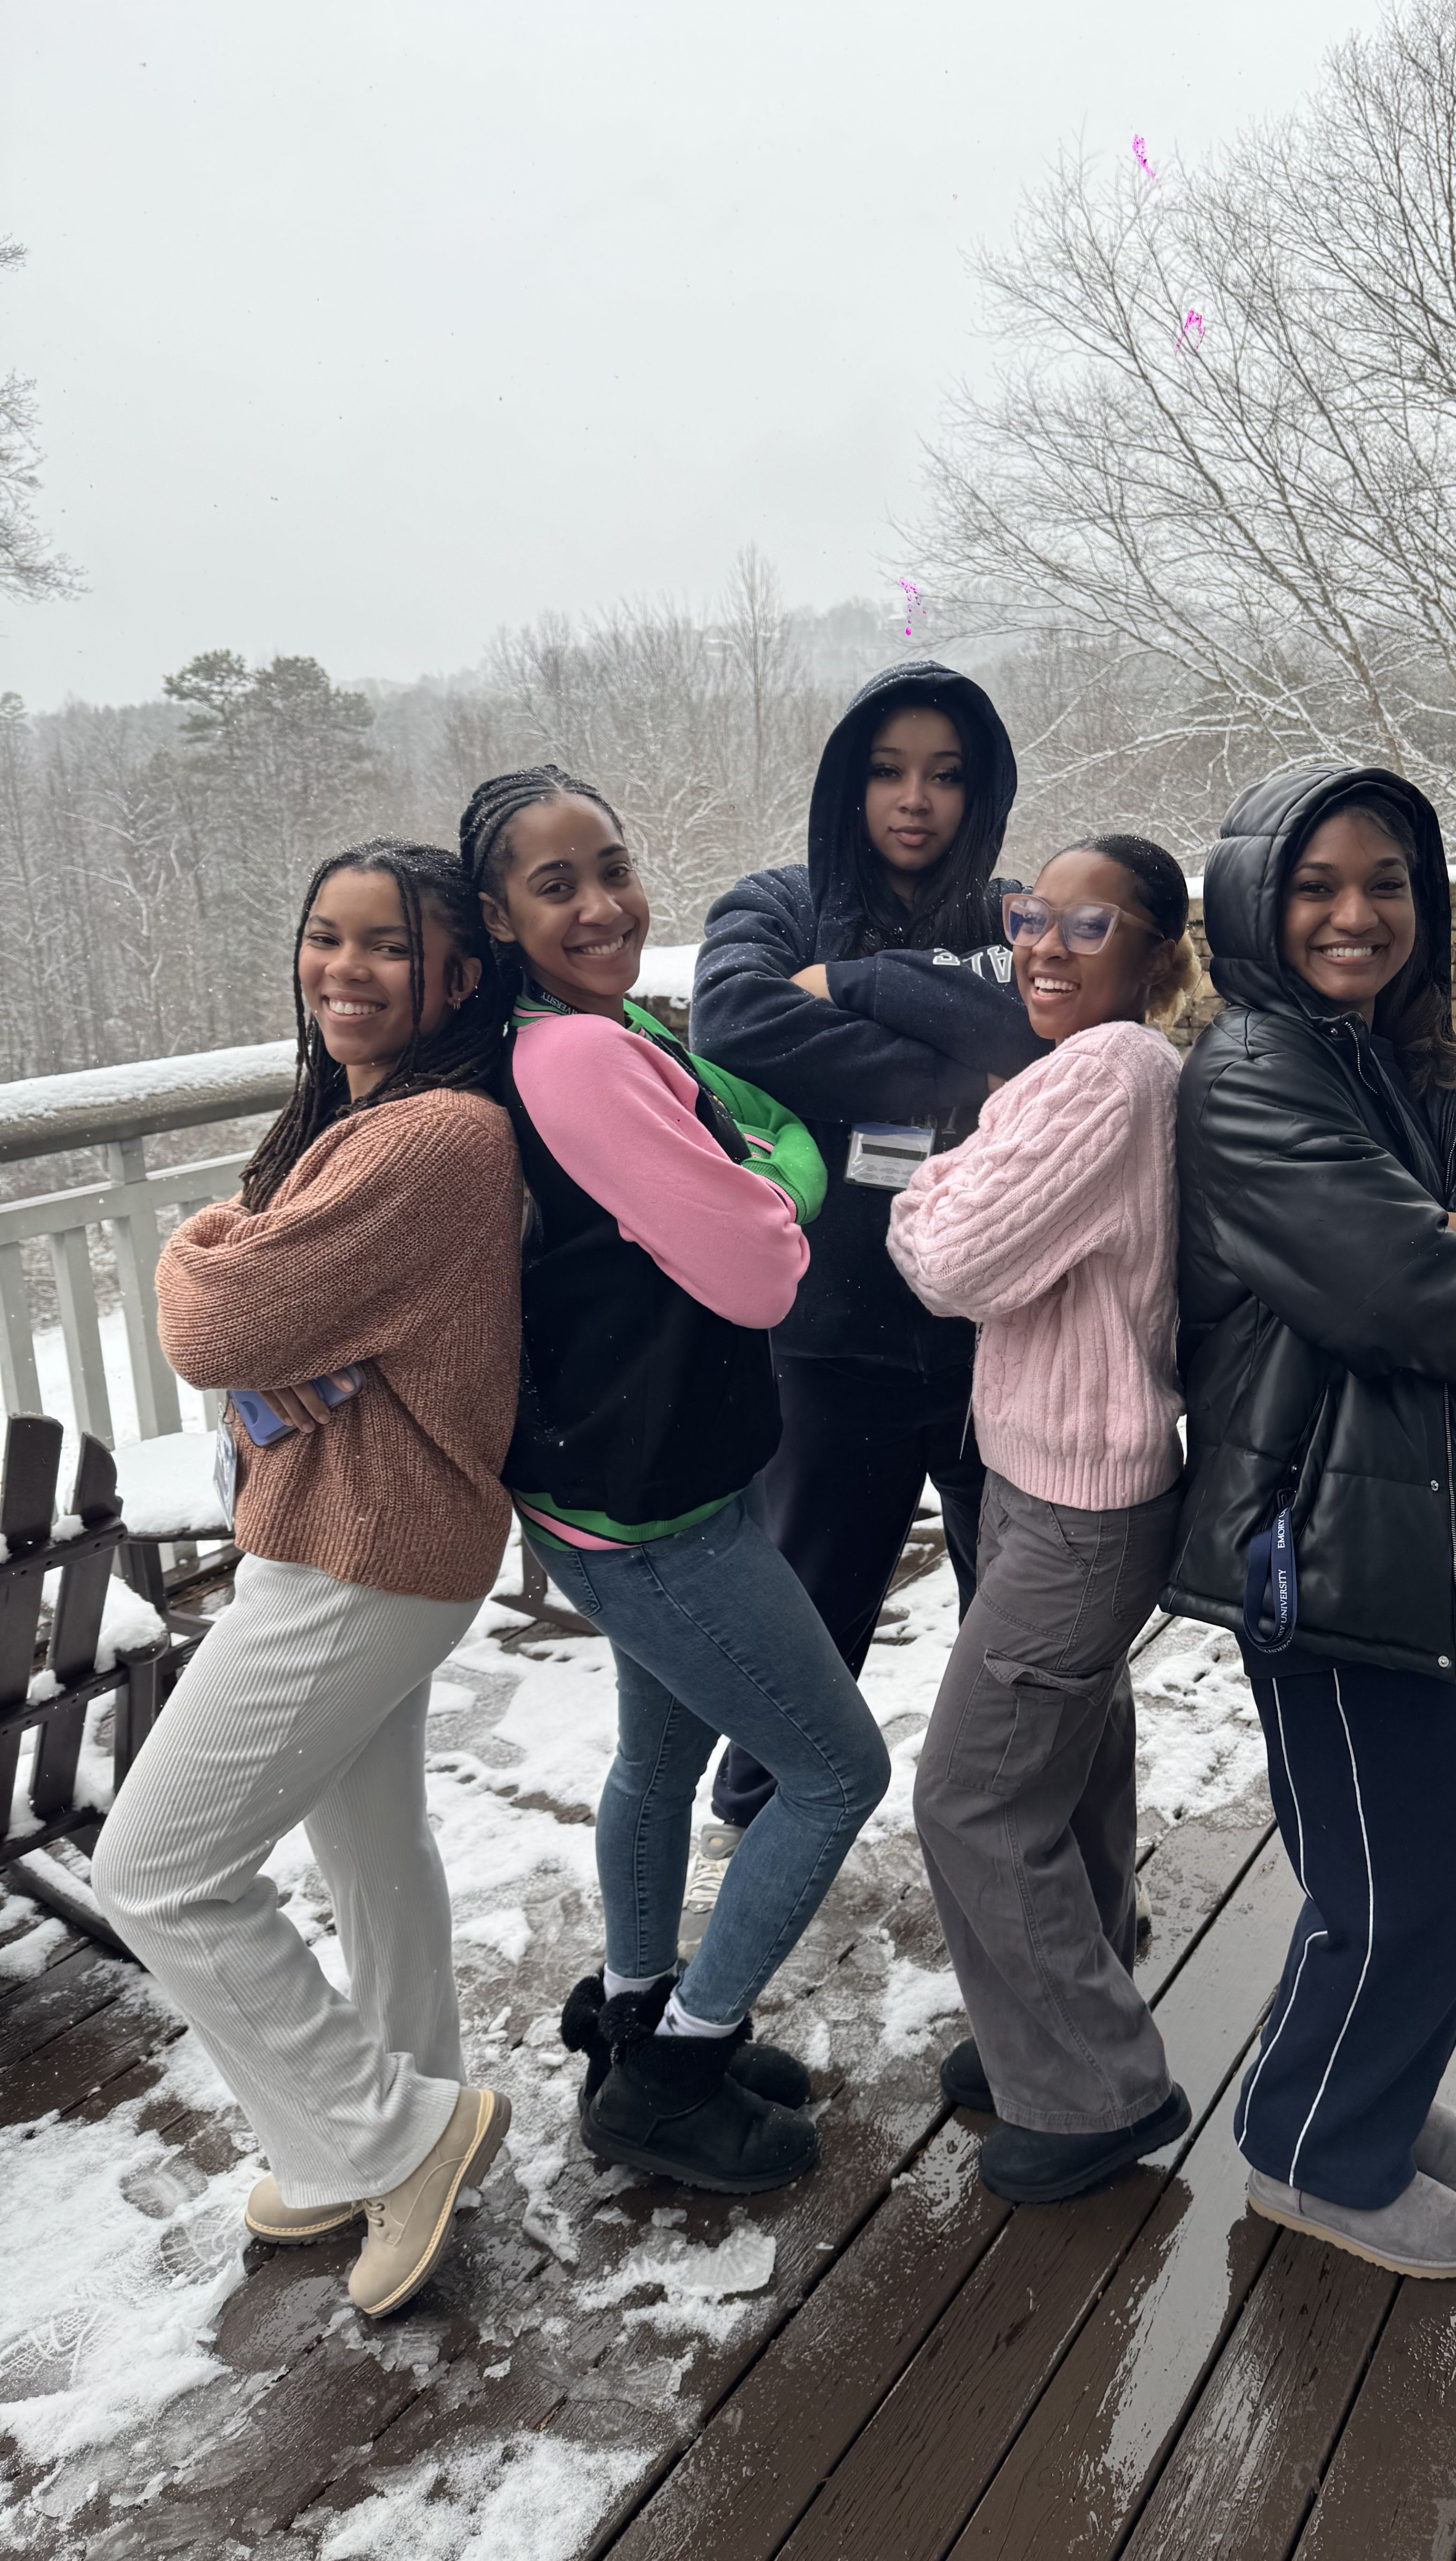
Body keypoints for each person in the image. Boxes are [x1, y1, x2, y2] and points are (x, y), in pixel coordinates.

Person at [1168, 767, 1456, 2278]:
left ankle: (1377, 2090)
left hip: (1448, 1518)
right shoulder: (1252, 1075)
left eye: (1387, 883)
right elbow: (1424, 1298)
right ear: (1254, 901)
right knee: (1405, 1875)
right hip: (1328, 1541)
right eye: (1317, 885)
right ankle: (1314, 2152)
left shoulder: (1405, 1064)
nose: (1356, 915)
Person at [92, 840, 522, 2322]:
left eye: (388, 948)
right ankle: (403, 2109)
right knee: (371, 1847)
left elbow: (214, 1322)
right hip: (370, 1539)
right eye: (324, 938)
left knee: (153, 1869)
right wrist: (262, 1288)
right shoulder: (364, 1117)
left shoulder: (433, 1136)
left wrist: (217, 1242)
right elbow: (263, 1326)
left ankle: (394, 2138)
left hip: (361, 1556)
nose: (346, 970)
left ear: (459, 974)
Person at [458, 763, 891, 2195]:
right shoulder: (585, 1058)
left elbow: (739, 1200)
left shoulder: (596, 1030)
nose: (604, 905)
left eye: (615, 867)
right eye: (556, 884)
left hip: (610, 1486)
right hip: (658, 1514)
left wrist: (749, 1174)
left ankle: (637, 2011)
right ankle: (678, 2074)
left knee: (661, 1755)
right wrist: (770, 1174)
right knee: (835, 1773)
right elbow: (767, 1266)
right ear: (499, 917)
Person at [685, 661, 1044, 1945]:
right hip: (835, 1336)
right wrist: (960, 1060)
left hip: (1004, 1335)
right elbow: (728, 1019)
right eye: (890, 770)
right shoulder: (778, 906)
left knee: (1011, 1611)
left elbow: (1052, 1037)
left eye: (948, 775)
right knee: (816, 1599)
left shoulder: (1023, 914)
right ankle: (762, 1821)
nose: (917, 800)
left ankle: (1021, 1841)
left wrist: (854, 999)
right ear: (848, 781)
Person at [885, 834, 1198, 2200]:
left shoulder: (1112, 1074)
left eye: (1089, 924)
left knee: (967, 1797)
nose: (1043, 945)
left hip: (1078, 1498)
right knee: (1064, 1762)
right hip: (1051, 1474)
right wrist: (981, 1155)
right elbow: (993, 1233)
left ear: (1158, 955)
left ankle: (1094, 2090)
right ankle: (1054, 2009)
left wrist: (935, 1174)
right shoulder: (1088, 1076)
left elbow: (948, 1260)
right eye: (1030, 916)